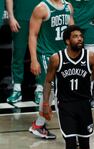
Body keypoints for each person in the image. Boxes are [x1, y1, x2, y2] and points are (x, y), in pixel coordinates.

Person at [28, 0, 74, 139]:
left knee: (63, 91)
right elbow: (32, 35)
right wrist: (34, 60)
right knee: (51, 89)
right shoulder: (42, 8)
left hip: (62, 55)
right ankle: (40, 125)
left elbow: (73, 32)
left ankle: (39, 124)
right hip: (46, 54)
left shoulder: (68, 6)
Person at [5, 0, 41, 103]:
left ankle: (39, 89)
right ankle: (17, 89)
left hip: (40, 16)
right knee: (18, 53)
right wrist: (11, 17)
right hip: (20, 17)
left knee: (40, 53)